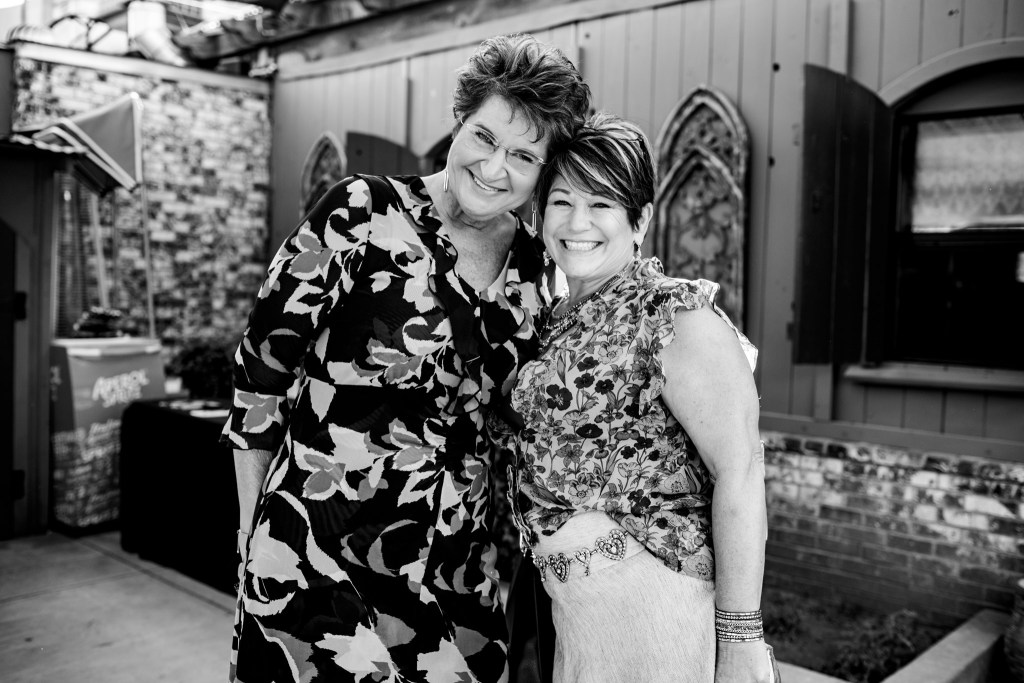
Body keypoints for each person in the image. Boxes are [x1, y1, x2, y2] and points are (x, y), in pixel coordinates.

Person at [220, 33, 591, 683]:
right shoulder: (360, 213)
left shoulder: (537, 266)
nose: (494, 167)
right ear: (458, 122)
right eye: (484, 137)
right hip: (315, 564)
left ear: (544, 172)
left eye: (523, 156)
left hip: (456, 576)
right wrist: (255, 542)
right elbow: (258, 382)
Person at [504, 113, 778, 683]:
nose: (577, 222)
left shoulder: (674, 316)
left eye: (601, 203)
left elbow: (742, 471)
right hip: (574, 617)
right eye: (562, 201)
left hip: (653, 612)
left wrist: (741, 641)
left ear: (641, 220)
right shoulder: (552, 319)